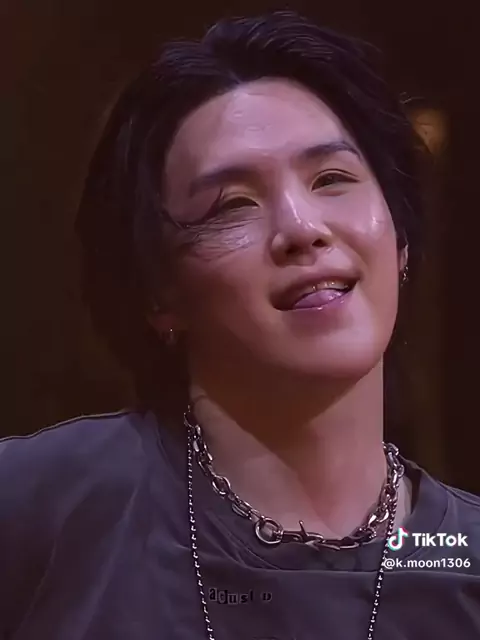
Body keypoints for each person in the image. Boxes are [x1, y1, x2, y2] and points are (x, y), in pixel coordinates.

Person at [1, 11, 479, 640]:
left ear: (400, 242)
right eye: (232, 205)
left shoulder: (464, 560)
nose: (302, 229)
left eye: (332, 179)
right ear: (158, 291)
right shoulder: (44, 504)